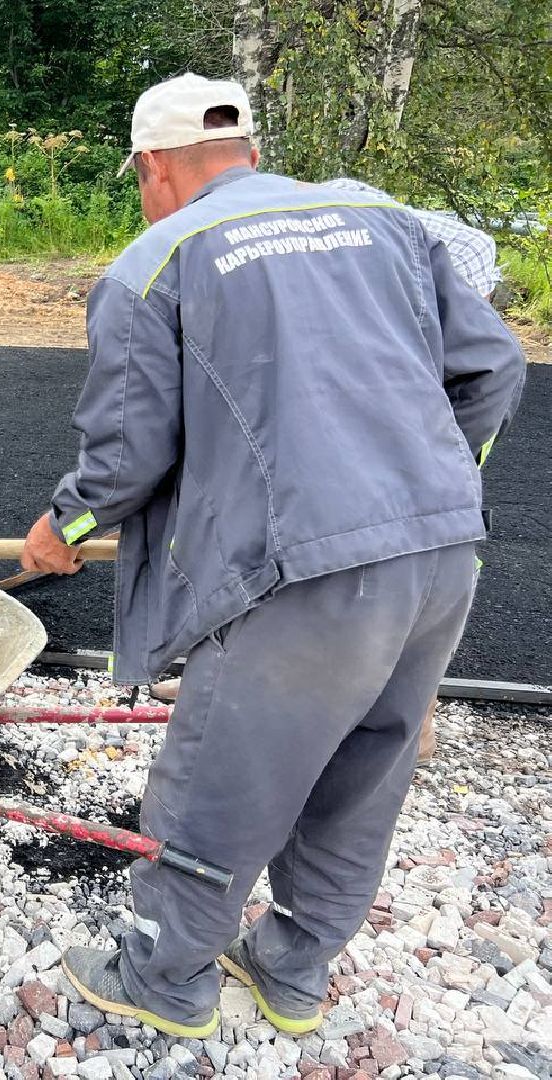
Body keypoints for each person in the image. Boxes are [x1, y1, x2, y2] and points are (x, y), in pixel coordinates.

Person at [19, 73, 525, 1039]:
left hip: (307, 579)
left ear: (155, 167)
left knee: (222, 773)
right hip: (442, 557)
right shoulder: (385, 220)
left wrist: (64, 530)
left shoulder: (156, 262)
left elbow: (125, 459)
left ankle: (164, 978)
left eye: (140, 178)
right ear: (246, 153)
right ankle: (294, 972)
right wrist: (429, 477)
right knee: (365, 764)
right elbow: (494, 369)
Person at [148, 175, 505, 768]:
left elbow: (487, 367)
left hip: (413, 451)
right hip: (399, 433)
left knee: (392, 566)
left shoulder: (409, 246)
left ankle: (414, 714)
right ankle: (221, 678)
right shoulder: (308, 229)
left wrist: (433, 463)